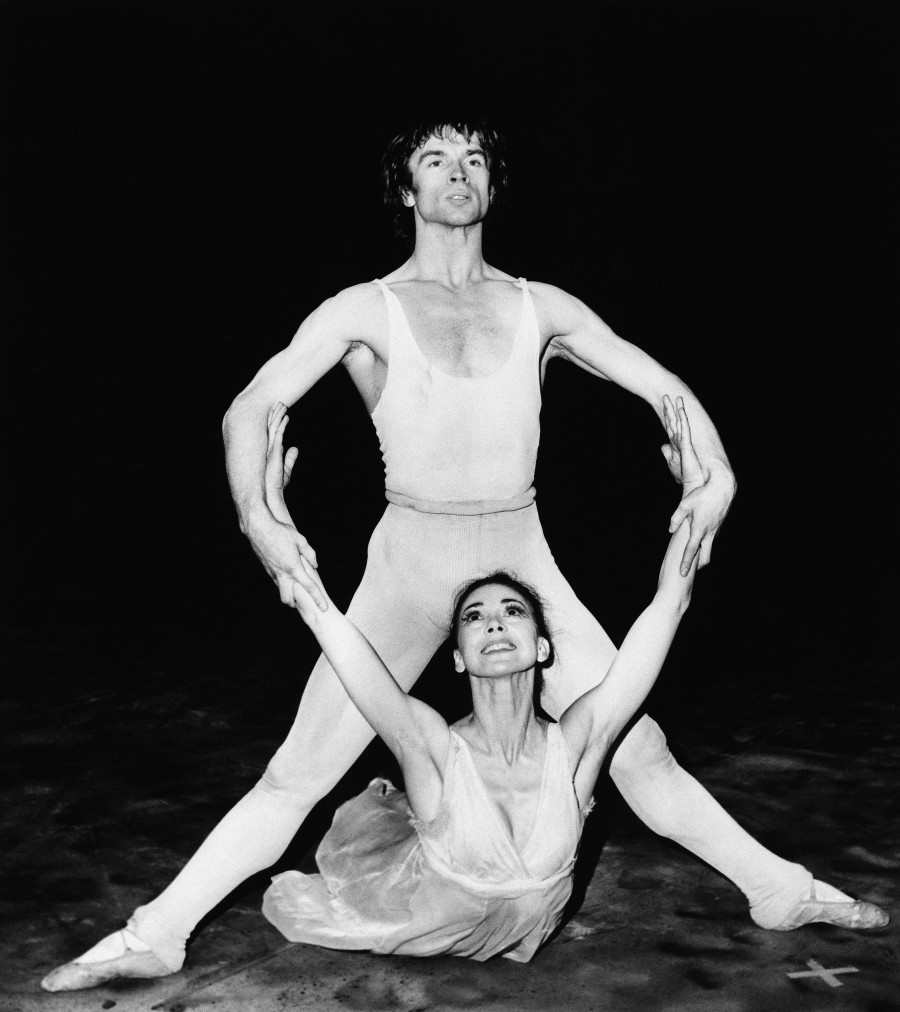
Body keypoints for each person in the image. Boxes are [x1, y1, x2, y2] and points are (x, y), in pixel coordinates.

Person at [42, 119, 886, 992]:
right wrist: (260, 517)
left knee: (641, 751)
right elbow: (250, 409)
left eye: (475, 159)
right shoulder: (363, 308)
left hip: (518, 555)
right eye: (436, 159)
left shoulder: (541, 306)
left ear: (490, 188)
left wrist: (716, 476)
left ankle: (777, 890)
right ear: (406, 190)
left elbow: (664, 387)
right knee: (297, 771)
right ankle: (159, 932)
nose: (459, 172)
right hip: (411, 562)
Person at [261, 395, 702, 960]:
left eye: (513, 610)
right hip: (431, 919)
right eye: (474, 616)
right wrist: (274, 519)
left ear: (542, 647)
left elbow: (668, 606)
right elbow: (330, 625)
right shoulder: (429, 743)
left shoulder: (578, 739)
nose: (494, 621)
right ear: (459, 657)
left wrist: (696, 499)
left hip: (529, 924)